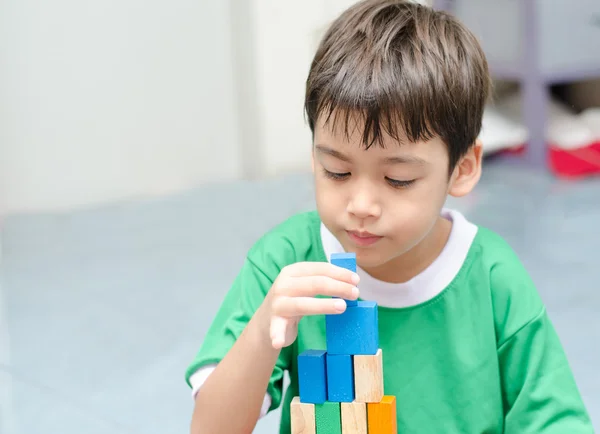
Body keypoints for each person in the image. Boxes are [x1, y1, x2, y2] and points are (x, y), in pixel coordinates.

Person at [185, 1, 593, 433]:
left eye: (397, 179)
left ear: (464, 168)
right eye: (337, 171)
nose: (361, 204)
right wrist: (263, 329)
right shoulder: (286, 262)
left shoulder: (493, 279)